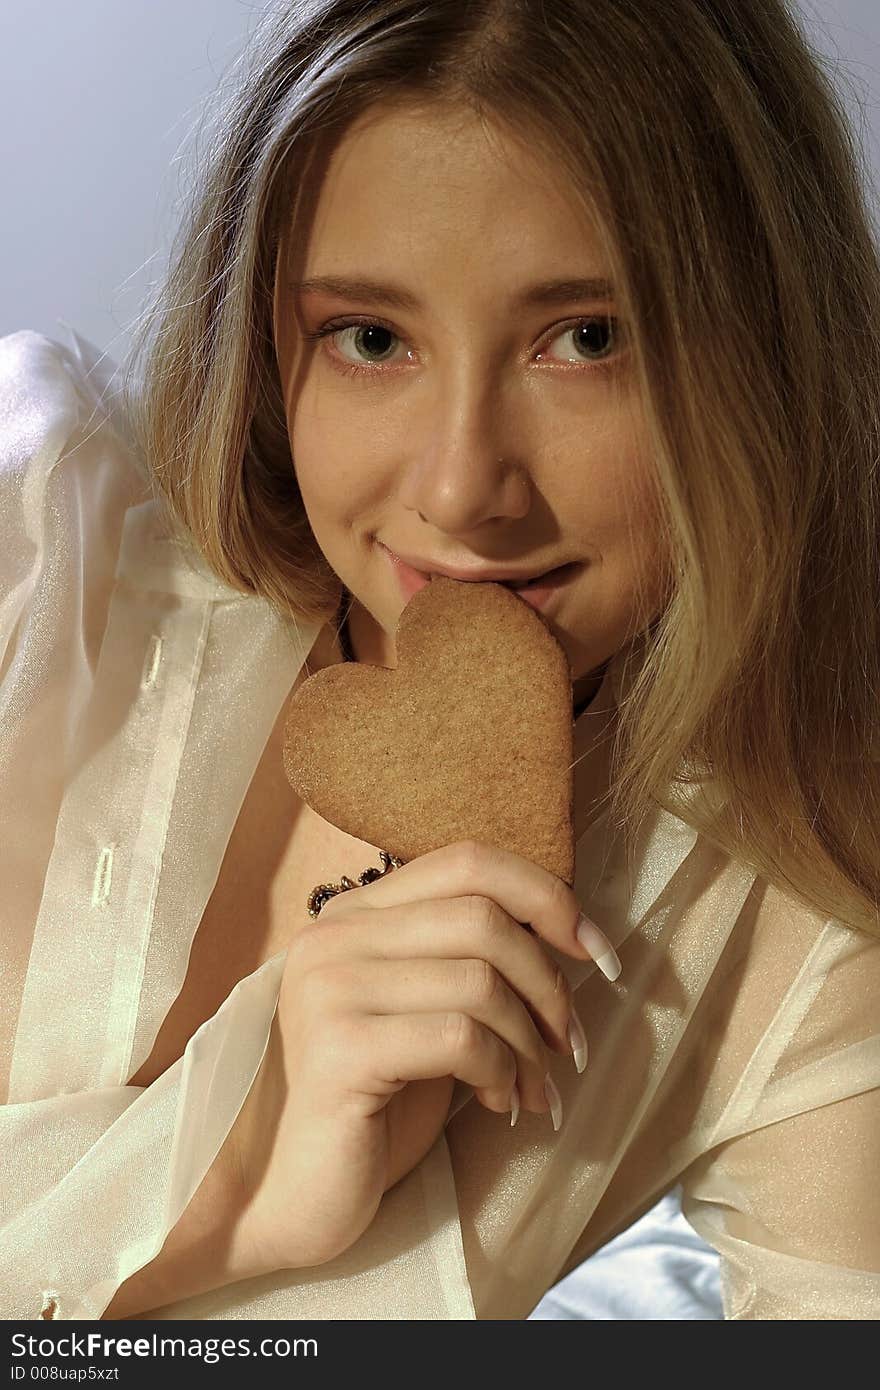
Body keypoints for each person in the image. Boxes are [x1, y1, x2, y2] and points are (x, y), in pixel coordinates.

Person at [1, 0, 878, 1322]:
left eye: (589, 336)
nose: (465, 488)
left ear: (765, 351)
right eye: (370, 335)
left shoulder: (802, 920)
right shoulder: (32, 538)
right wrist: (235, 1197)